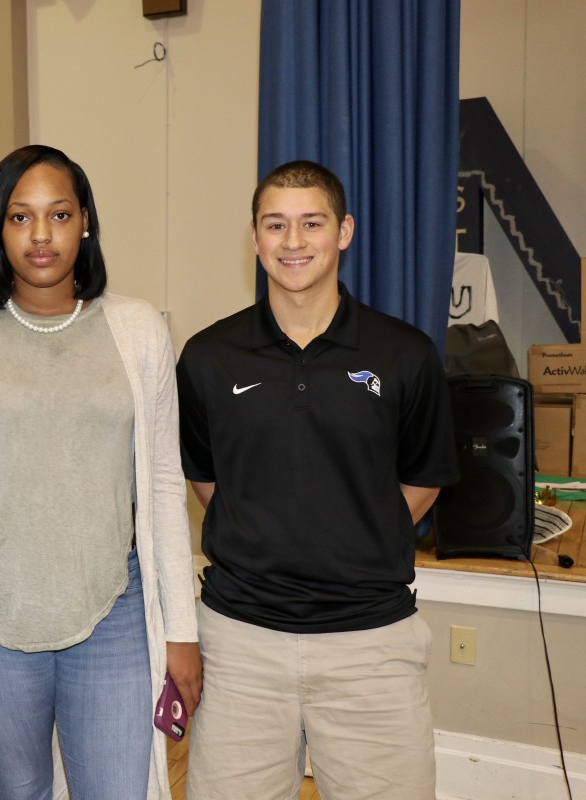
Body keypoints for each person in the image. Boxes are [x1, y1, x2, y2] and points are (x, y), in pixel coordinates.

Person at [0, 144, 200, 800]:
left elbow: (162, 484)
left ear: (86, 223)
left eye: (59, 215)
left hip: (114, 612)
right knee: (14, 793)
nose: (41, 236)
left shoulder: (138, 330)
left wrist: (181, 632)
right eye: (20, 217)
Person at [176, 160, 460, 799]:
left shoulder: (405, 355)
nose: (294, 241)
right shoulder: (206, 358)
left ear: (345, 232)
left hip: (372, 647)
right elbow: (209, 479)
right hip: (241, 646)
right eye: (276, 225)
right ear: (254, 238)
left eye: (312, 223)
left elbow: (422, 481)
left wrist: (354, 532)